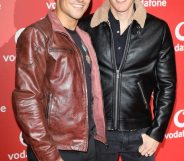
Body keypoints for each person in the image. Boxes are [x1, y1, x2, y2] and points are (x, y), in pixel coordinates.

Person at [79, 0, 176, 161]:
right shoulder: (85, 26)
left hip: (141, 134)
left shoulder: (157, 29)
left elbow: (167, 85)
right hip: (98, 133)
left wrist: (156, 133)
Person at [12, 0, 106, 161]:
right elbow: (26, 100)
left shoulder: (84, 37)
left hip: (88, 146)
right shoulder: (38, 34)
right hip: (57, 151)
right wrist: (50, 156)